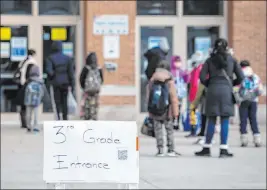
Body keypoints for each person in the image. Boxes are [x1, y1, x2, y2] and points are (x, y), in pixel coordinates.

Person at [195, 38, 244, 158]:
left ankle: (206, 148)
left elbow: (201, 77)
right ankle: (223, 149)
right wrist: (231, 83)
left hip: (212, 91)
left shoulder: (209, 60)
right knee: (224, 120)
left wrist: (209, 84)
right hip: (226, 91)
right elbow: (241, 77)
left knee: (211, 119)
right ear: (227, 47)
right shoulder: (232, 60)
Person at [147, 60, 179, 157]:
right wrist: (176, 112)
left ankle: (160, 150)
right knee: (169, 129)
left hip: (155, 110)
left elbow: (148, 97)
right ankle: (170, 150)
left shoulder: (152, 80)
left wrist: (149, 110)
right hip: (167, 110)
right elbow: (173, 97)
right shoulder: (169, 80)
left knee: (158, 130)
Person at [45, 41, 74, 120]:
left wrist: (53, 76)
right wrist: (72, 84)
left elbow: (49, 71)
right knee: (65, 102)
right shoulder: (67, 58)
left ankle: (58, 118)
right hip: (65, 83)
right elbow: (71, 73)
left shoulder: (50, 58)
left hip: (56, 83)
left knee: (57, 102)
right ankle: (65, 118)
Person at [238, 60, 263, 147]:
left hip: (243, 100)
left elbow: (236, 89)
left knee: (243, 120)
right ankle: (257, 139)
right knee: (253, 119)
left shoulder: (240, 76)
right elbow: (260, 90)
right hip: (253, 101)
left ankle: (244, 139)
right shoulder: (255, 76)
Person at [14, 49, 38, 129]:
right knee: (29, 103)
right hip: (28, 85)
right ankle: (27, 122)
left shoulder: (23, 61)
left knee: (23, 104)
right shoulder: (32, 62)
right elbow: (32, 74)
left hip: (21, 85)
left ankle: (23, 122)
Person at [185, 51, 205, 137]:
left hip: (198, 93)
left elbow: (195, 83)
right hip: (194, 92)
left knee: (196, 111)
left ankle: (198, 129)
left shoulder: (200, 69)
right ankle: (194, 129)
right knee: (193, 112)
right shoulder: (194, 69)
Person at [24, 65, 49, 132]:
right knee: (36, 114)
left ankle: (28, 126)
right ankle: (35, 126)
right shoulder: (40, 82)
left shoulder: (28, 81)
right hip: (37, 100)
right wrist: (44, 99)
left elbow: (25, 91)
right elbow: (43, 91)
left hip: (28, 100)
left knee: (28, 113)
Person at [79, 52, 103, 120]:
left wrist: (84, 87)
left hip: (87, 91)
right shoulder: (99, 68)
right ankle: (94, 117)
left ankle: (87, 117)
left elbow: (81, 79)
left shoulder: (86, 68)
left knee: (86, 106)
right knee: (95, 105)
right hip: (96, 91)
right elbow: (101, 79)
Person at [170, 55, 190, 130]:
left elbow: (186, 80)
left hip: (180, 93)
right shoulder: (171, 72)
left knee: (179, 108)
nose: (178, 63)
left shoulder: (182, 71)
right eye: (176, 61)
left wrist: (187, 75)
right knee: (173, 108)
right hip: (173, 92)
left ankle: (177, 123)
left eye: (179, 61)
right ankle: (172, 122)